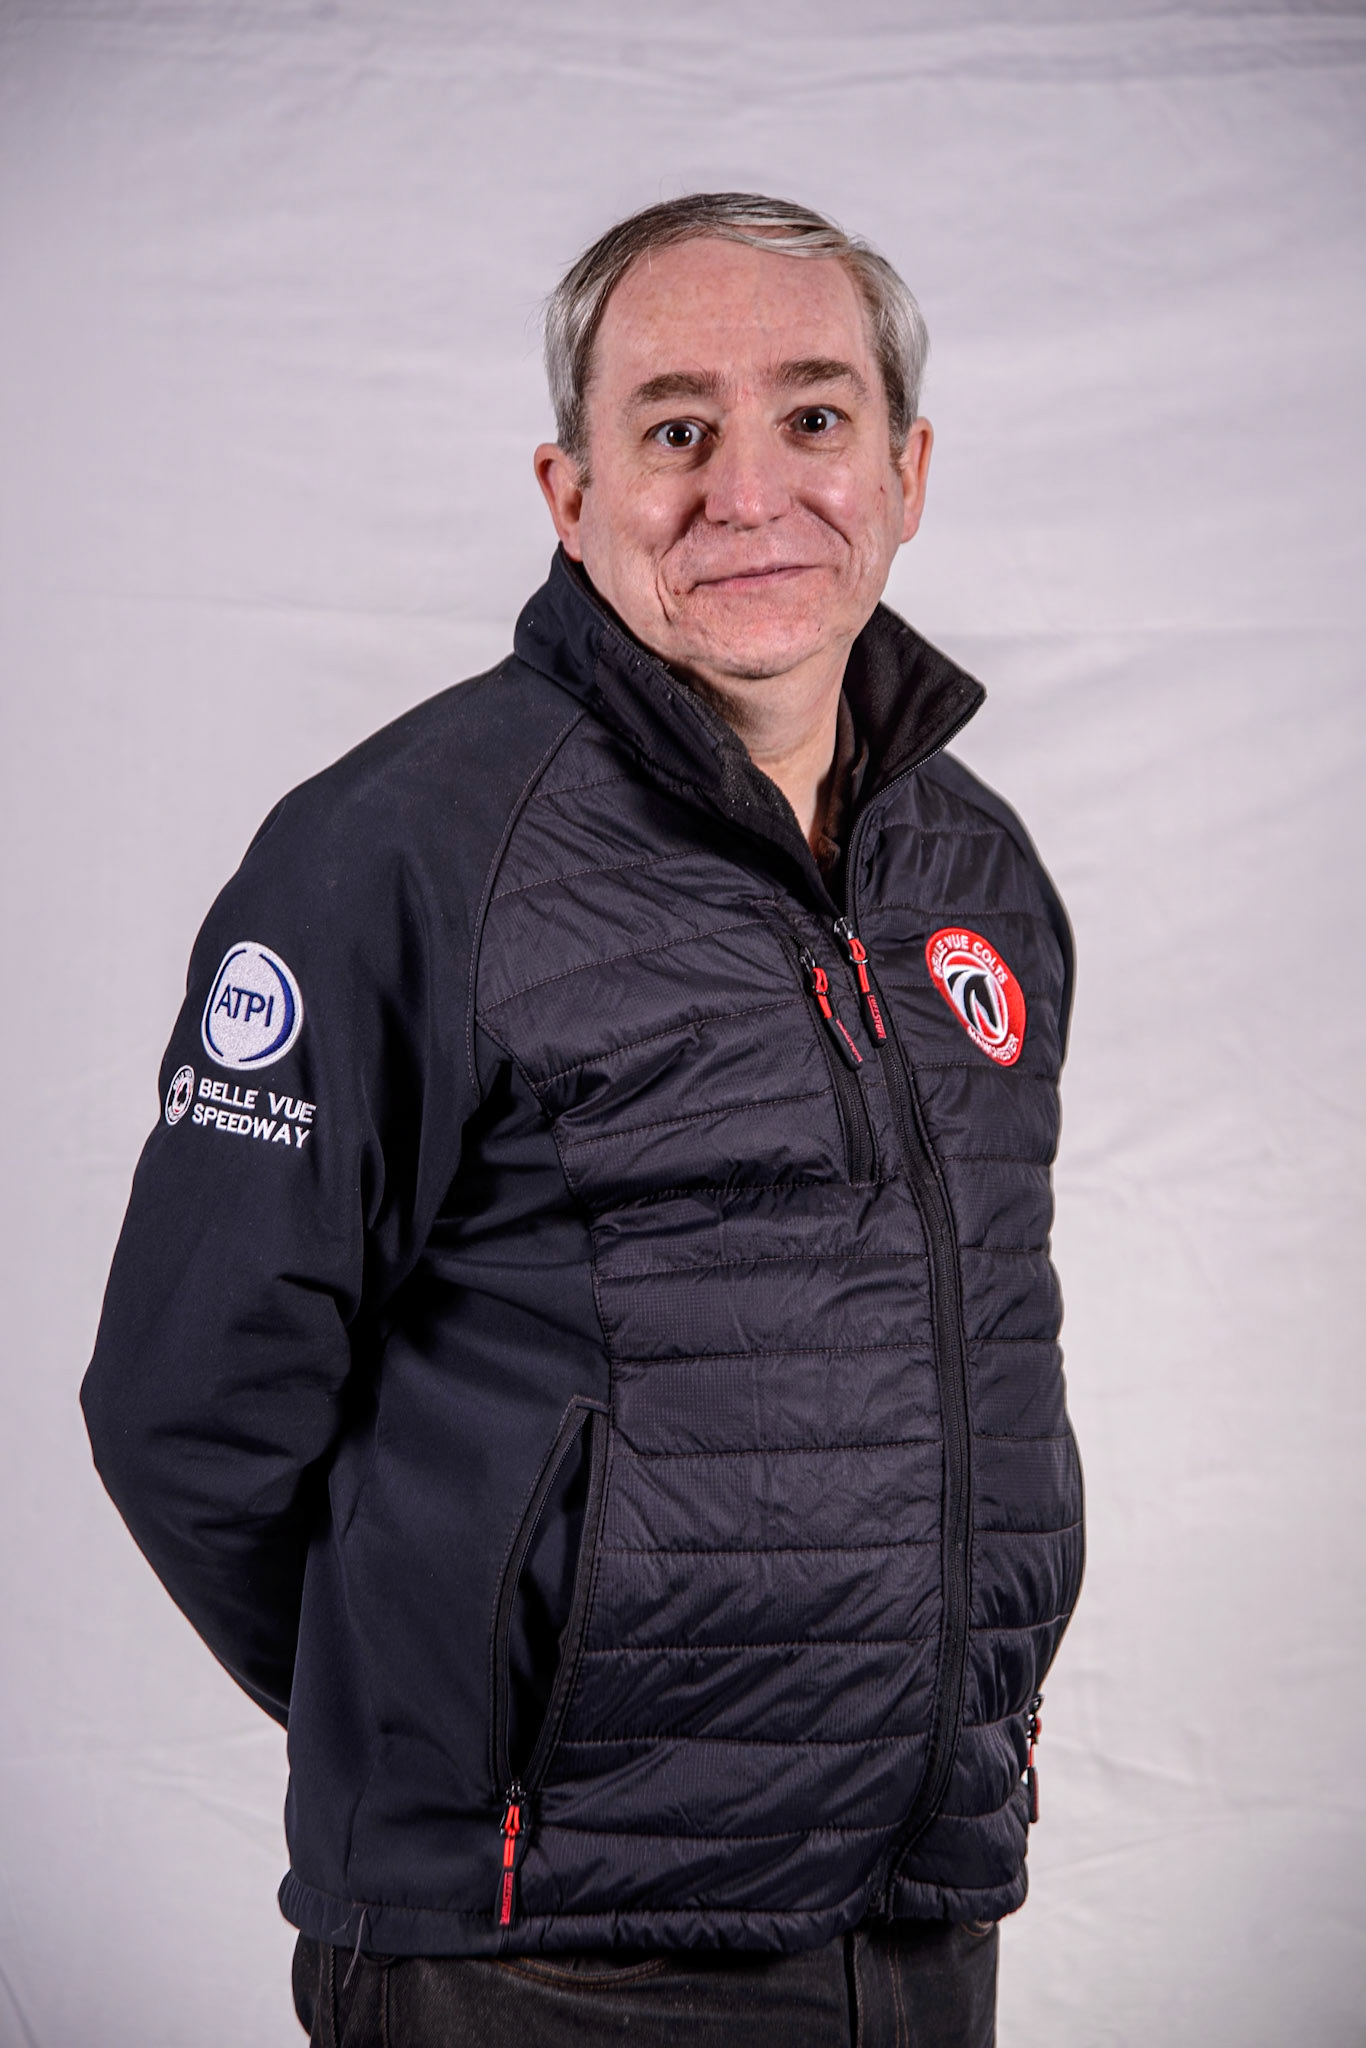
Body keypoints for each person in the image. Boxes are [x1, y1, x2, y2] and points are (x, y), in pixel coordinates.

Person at [81, 192, 1082, 2047]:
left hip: (916, 1906)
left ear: (907, 467)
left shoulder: (973, 866)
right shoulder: (402, 850)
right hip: (539, 1948)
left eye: (813, 416)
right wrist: (476, 1713)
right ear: (568, 489)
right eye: (675, 428)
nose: (750, 490)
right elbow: (183, 1403)